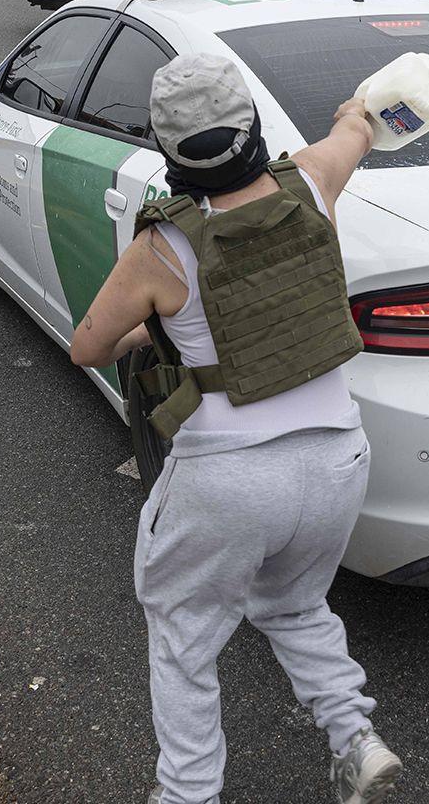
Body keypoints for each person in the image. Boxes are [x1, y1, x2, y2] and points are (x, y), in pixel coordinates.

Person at [69, 53, 401, 804]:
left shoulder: (163, 248)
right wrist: (360, 104)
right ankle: (355, 738)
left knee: (185, 633)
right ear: (249, 126)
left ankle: (188, 793)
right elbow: (358, 123)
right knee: (295, 604)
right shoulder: (312, 182)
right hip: (339, 457)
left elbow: (88, 346)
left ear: (168, 146)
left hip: (229, 474)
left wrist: (155, 322)